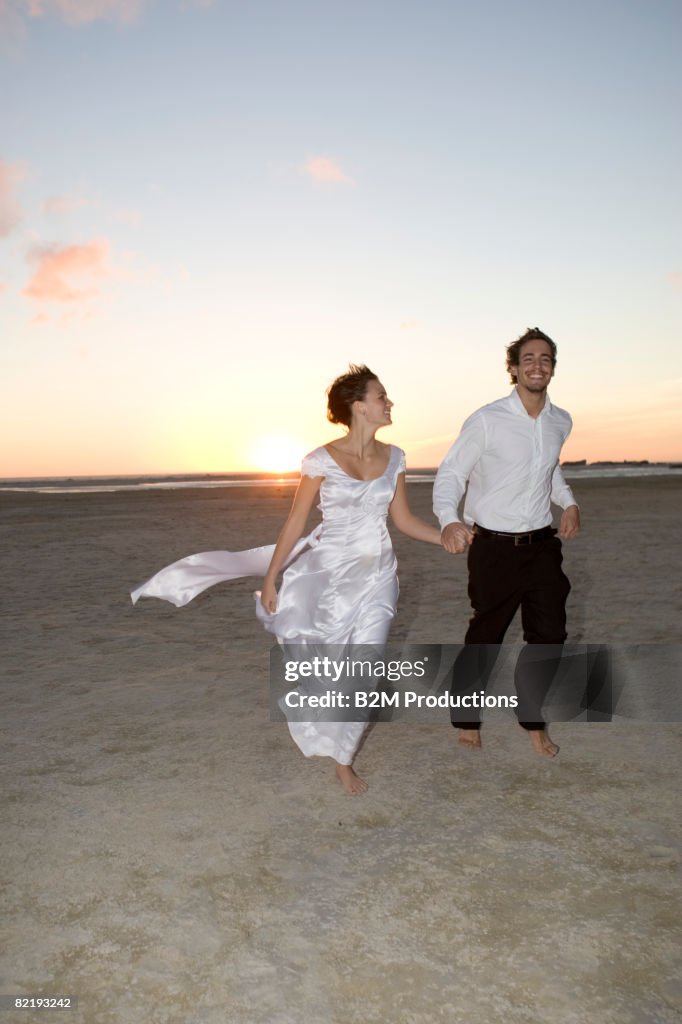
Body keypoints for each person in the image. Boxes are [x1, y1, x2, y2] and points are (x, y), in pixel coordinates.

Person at [132, 365, 443, 795]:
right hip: (332, 577)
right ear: (357, 406)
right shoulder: (320, 460)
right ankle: (320, 720)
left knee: (366, 668)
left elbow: (405, 520)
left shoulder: (396, 458)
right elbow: (294, 524)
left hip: (379, 577)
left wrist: (443, 535)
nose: (389, 403)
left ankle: (343, 760)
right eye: (381, 396)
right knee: (333, 669)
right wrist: (273, 578)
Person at [433, 327, 581, 757]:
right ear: (513, 368)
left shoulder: (560, 420)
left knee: (550, 635)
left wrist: (568, 503)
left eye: (546, 358)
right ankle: (466, 717)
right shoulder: (487, 419)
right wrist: (448, 520)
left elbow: (548, 468)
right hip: (493, 548)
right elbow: (451, 474)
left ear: (553, 368)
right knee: (486, 634)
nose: (538, 365)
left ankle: (532, 719)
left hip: (541, 546)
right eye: (528, 359)